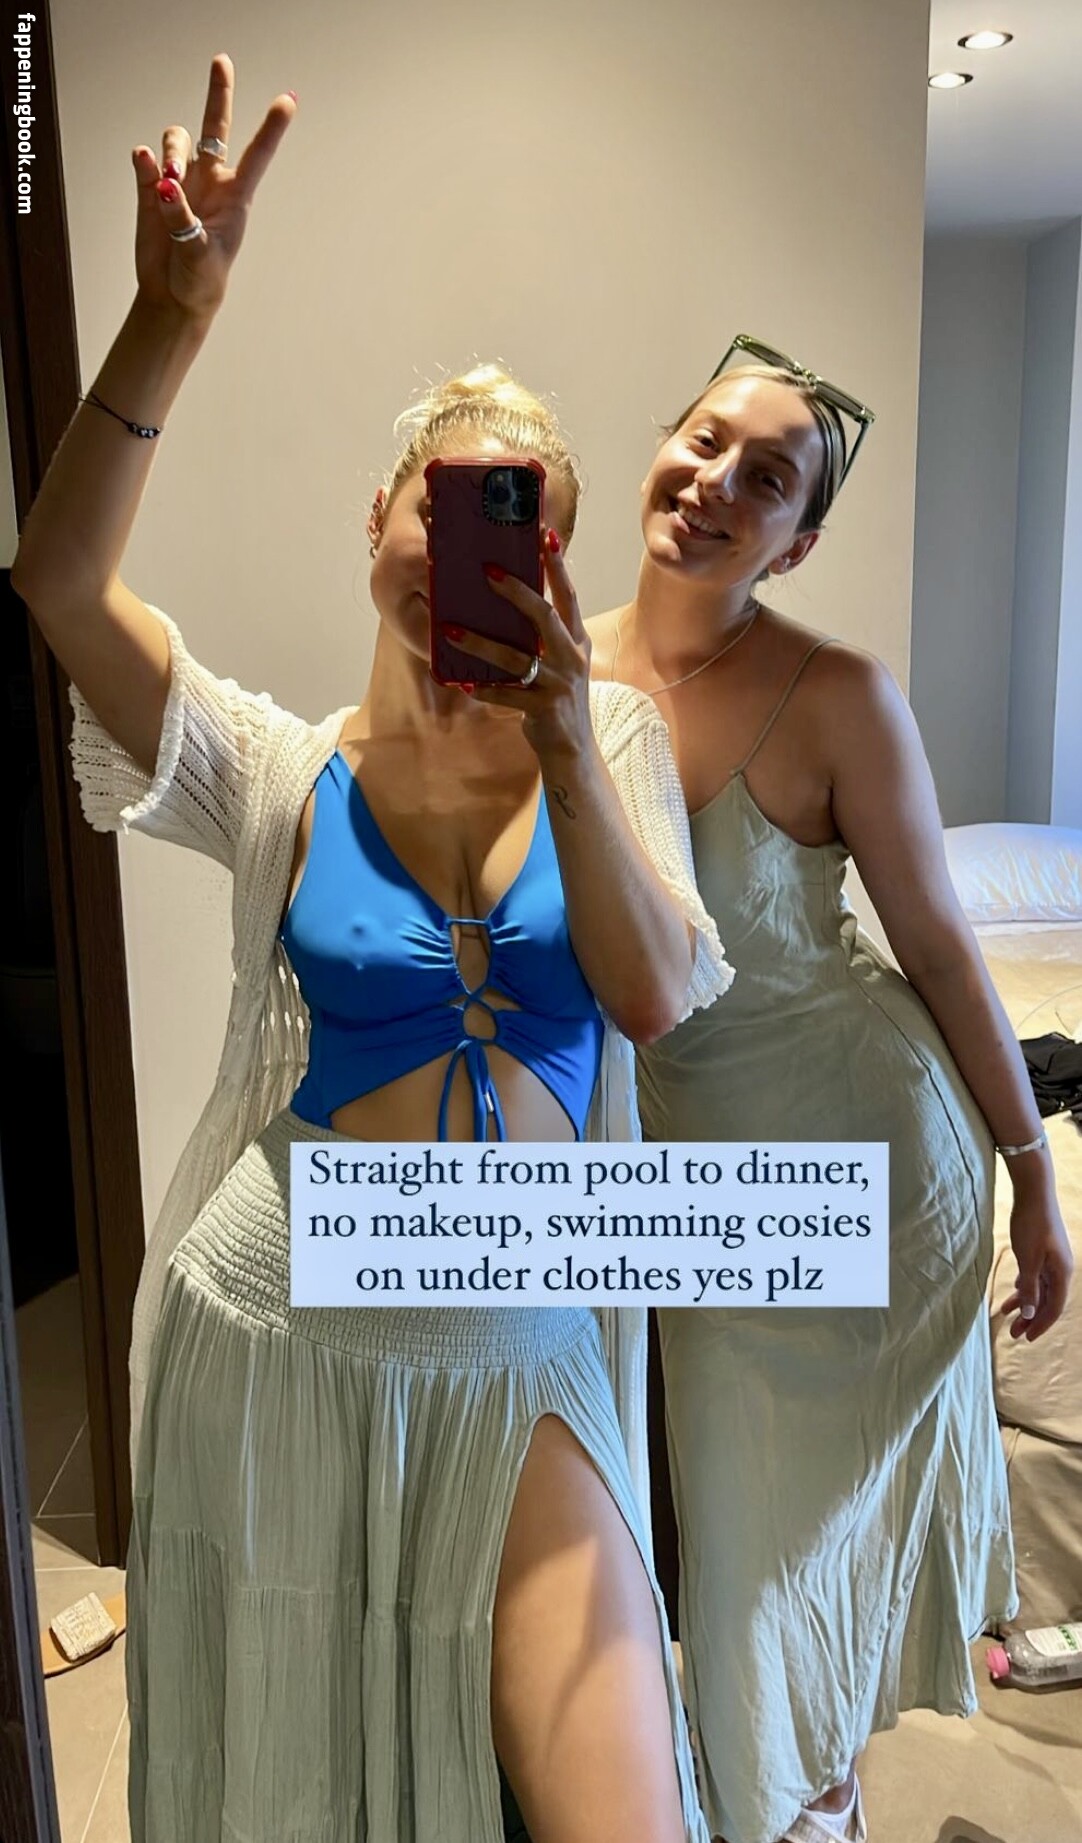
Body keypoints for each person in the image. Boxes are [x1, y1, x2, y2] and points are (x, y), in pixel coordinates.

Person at [11, 55, 734, 1843]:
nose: (476, 548)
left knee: (624, 1813)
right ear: (380, 523)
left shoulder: (610, 741)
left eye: (526, 521)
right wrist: (169, 321)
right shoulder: (273, 768)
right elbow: (57, 582)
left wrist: (564, 742)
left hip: (518, 1333)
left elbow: (652, 997)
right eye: (449, 503)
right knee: (303, 1781)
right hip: (277, 1315)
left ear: (552, 567)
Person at [588, 336, 1074, 1843]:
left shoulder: (836, 693)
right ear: (659, 445)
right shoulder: (549, 674)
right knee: (731, 1558)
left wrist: (1034, 1177)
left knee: (765, 1567)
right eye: (704, 441)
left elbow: (939, 946)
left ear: (795, 541)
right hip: (679, 1176)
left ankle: (810, 1812)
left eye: (768, 478)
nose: (715, 483)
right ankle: (810, 1801)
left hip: (871, 1166)